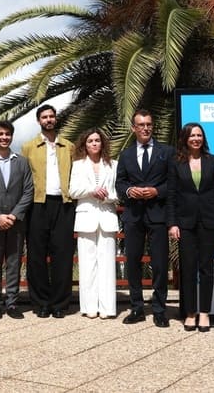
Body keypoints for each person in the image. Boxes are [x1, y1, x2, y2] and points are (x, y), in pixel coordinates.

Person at [116, 108, 176, 328]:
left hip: (158, 215)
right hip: (133, 216)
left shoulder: (167, 151)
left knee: (160, 263)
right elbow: (119, 182)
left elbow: (174, 182)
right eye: (141, 125)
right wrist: (129, 190)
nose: (145, 128)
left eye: (149, 124)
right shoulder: (126, 154)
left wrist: (157, 191)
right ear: (134, 128)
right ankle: (137, 308)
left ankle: (159, 310)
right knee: (133, 262)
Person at [167, 123, 214, 332]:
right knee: (188, 270)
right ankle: (190, 313)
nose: (196, 139)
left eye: (199, 135)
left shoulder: (213, 161)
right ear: (185, 139)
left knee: (206, 269)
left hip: (209, 222)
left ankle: (204, 313)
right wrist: (172, 223)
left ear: (203, 138)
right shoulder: (175, 163)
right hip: (185, 224)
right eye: (192, 135)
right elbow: (171, 195)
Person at [21, 104, 75, 319]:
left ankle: (60, 303)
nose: (49, 120)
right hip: (37, 205)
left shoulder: (68, 146)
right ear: (39, 121)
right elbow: (23, 178)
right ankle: (41, 302)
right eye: (44, 117)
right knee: (36, 256)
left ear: (56, 119)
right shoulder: (28, 148)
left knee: (63, 255)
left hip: (64, 204)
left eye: (51, 116)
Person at [0, 121, 33, 320]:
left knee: (14, 263)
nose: (4, 137)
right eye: (0, 134)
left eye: (7, 134)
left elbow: (28, 190)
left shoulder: (22, 162)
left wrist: (14, 215)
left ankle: (12, 303)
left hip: (16, 222)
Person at [68, 128, 119, 319]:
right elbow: (73, 191)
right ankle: (89, 306)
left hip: (107, 216)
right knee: (87, 264)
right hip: (86, 217)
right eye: (90, 141)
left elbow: (118, 192)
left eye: (97, 140)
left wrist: (106, 196)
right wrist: (91, 190)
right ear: (85, 144)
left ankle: (107, 308)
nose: (94, 143)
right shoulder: (78, 165)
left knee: (107, 265)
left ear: (102, 143)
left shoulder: (113, 164)